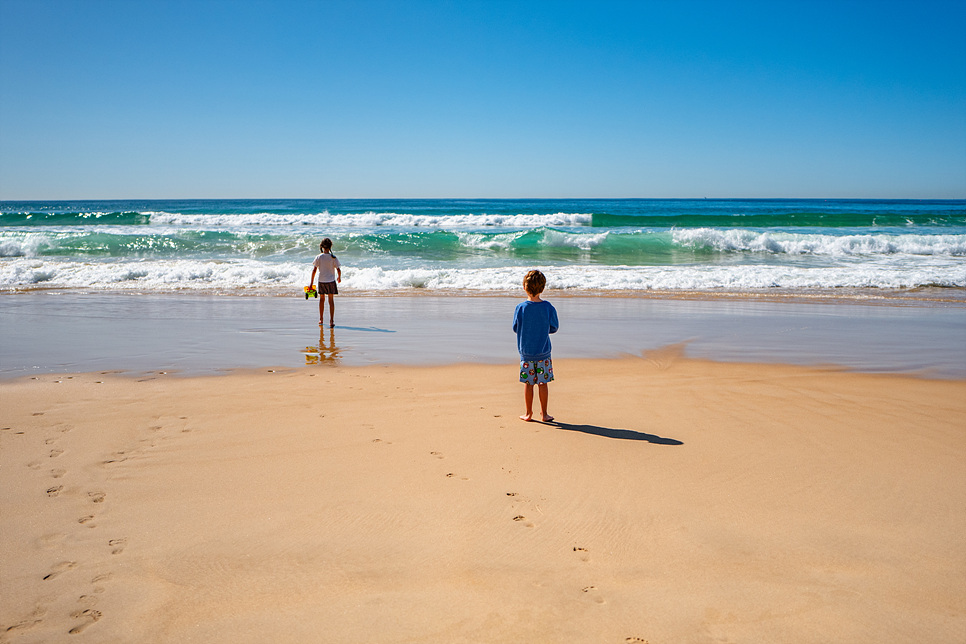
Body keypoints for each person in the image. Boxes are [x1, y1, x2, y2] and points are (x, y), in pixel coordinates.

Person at [513, 270, 558, 422]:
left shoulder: (521, 308)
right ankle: (544, 414)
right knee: (542, 383)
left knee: (528, 384)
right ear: (542, 288)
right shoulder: (548, 307)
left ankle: (528, 413)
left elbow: (515, 327)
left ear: (525, 287)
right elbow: (554, 327)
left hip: (526, 352)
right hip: (543, 352)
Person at [308, 238, 342, 328]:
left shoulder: (319, 257)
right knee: (331, 301)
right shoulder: (333, 257)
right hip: (330, 281)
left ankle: (321, 319)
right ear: (330, 246)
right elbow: (338, 269)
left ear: (322, 246)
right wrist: (339, 277)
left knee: (321, 300)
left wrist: (311, 283)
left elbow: (314, 270)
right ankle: (331, 321)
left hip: (322, 281)